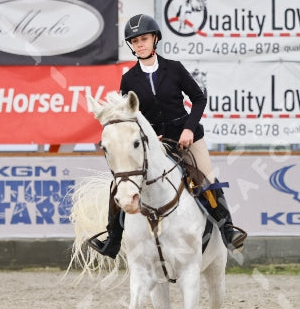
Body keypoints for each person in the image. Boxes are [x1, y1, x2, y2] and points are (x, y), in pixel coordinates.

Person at [87, 13, 246, 259]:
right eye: (135, 41)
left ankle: (227, 230)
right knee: (118, 184)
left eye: (144, 39)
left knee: (206, 179)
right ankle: (113, 239)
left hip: (186, 137)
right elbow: (129, 117)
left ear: (155, 39)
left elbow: (199, 99)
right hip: (154, 142)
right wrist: (148, 137)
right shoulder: (128, 79)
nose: (140, 44)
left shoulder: (174, 68)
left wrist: (189, 129)